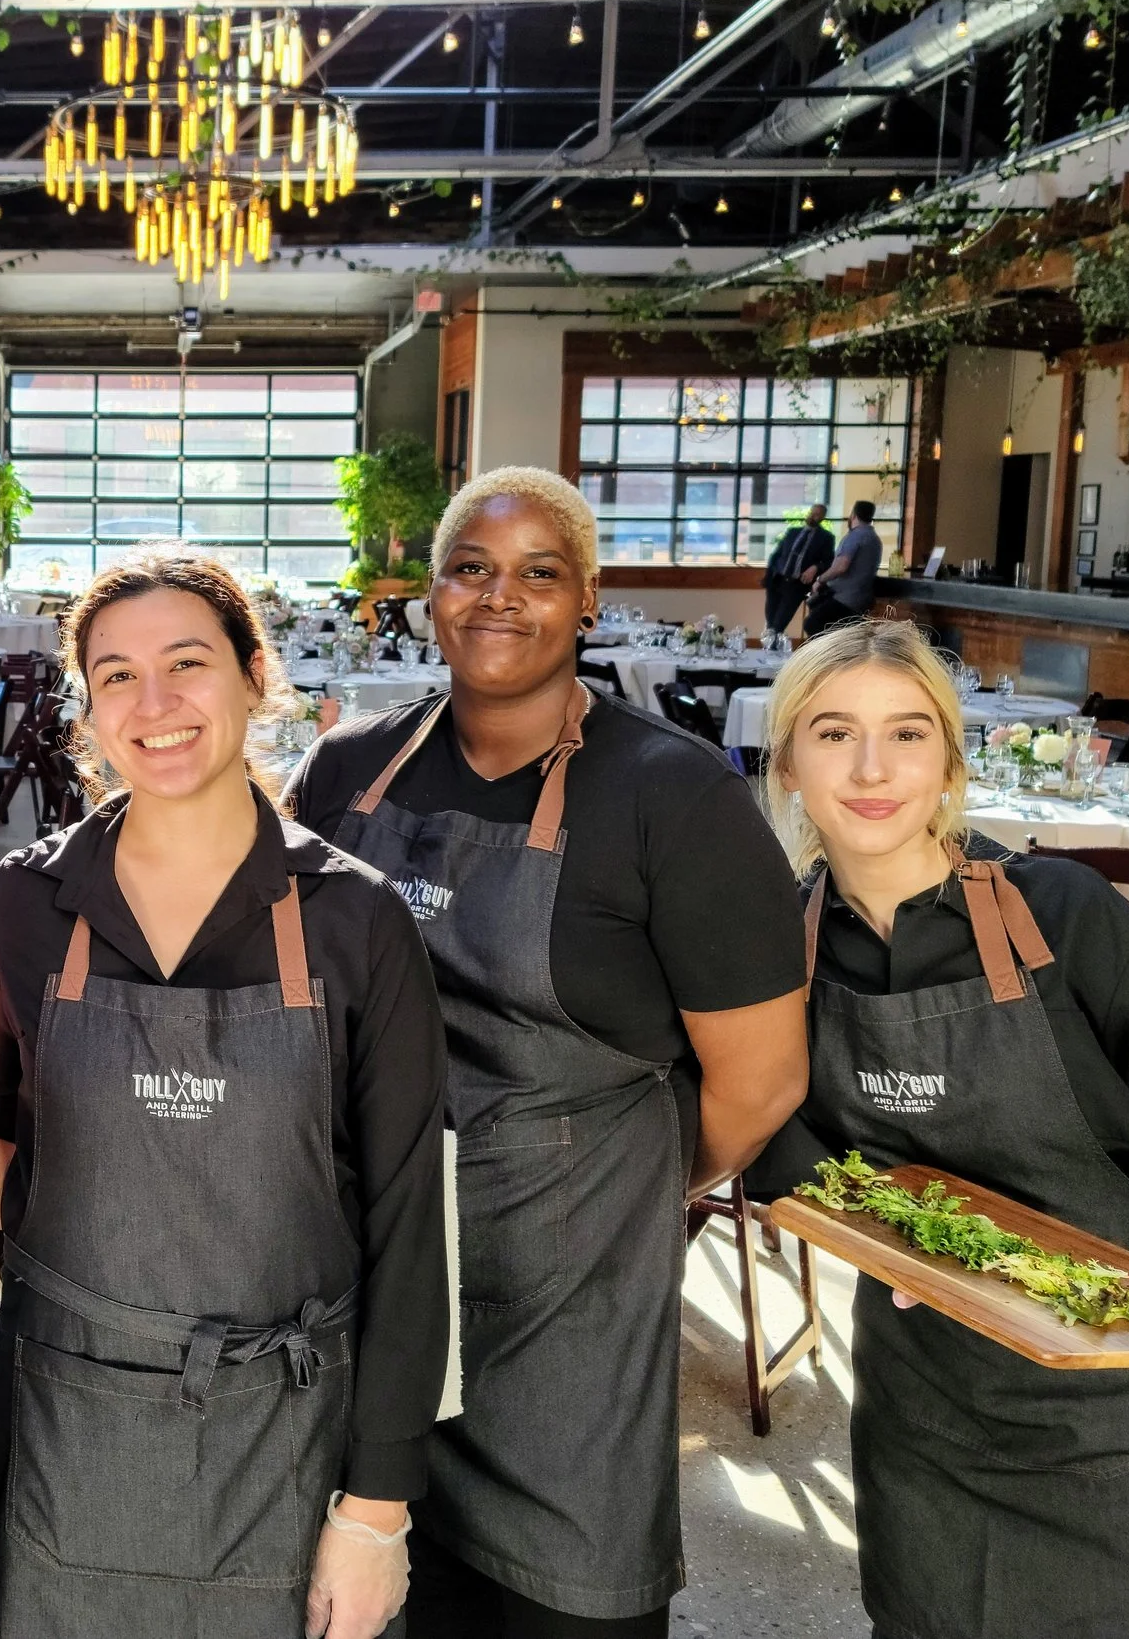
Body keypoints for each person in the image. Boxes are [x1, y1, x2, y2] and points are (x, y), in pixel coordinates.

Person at [286, 467, 809, 1639]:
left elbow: (764, 1078)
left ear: (587, 600)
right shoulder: (347, 772)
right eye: (470, 568)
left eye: (538, 573)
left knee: (554, 1596)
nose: (498, 598)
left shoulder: (670, 796)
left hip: (567, 1304)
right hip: (376, 1271)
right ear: (428, 596)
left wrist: (618, 1186)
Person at [750, 620, 1129, 1639]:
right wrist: (870, 1229)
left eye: (907, 734)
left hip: (1122, 1393)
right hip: (926, 1399)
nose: (872, 768)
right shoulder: (775, 952)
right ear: (784, 761)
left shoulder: (1063, 913)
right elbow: (761, 1136)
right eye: (832, 734)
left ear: (949, 763)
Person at [0, 545, 446, 1639]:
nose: (155, 703)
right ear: (87, 706)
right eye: (117, 675)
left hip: (287, 1437)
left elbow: (413, 1230)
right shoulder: (24, 909)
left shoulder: (355, 922)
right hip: (60, 1430)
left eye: (188, 663)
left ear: (253, 676)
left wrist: (377, 1511)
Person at [803, 499, 881, 636]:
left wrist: (820, 580)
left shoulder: (855, 536)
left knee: (812, 624)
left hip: (845, 598)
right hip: (862, 599)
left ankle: (826, 656)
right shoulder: (875, 539)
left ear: (854, 515)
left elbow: (841, 566)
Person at [760, 502, 833, 638]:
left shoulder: (826, 538)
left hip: (796, 585)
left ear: (823, 518)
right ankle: (769, 652)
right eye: (812, 512)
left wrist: (816, 567)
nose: (813, 516)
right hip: (777, 580)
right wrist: (768, 577)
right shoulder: (793, 532)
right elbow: (776, 555)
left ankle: (773, 652)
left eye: (817, 515)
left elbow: (829, 561)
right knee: (770, 622)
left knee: (779, 624)